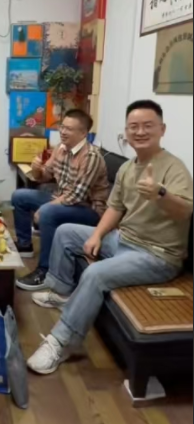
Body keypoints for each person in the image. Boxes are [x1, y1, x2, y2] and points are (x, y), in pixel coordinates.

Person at [28, 100, 193, 376]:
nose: (140, 132)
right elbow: (115, 207)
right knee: (66, 232)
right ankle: (61, 291)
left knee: (95, 274)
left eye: (148, 126)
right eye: (133, 126)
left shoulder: (174, 168)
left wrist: (161, 194)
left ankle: (60, 342)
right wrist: (97, 234)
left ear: (162, 129)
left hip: (156, 255)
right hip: (123, 240)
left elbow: (186, 210)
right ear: (126, 132)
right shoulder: (128, 168)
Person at [13, 109, 109, 291]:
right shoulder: (61, 148)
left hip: (89, 210)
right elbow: (43, 177)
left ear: (83, 133)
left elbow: (77, 196)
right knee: (20, 196)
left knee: (48, 212)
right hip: (63, 199)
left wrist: (45, 208)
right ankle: (25, 245)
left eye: (69, 129)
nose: (63, 132)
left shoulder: (91, 157)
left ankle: (45, 271)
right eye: (62, 127)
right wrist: (36, 169)